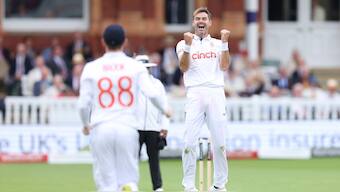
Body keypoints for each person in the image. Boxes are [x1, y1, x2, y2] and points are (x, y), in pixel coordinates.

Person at [78, 24, 171, 192]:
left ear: (103, 42)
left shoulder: (91, 67)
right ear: (125, 42)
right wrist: (164, 109)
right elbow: (151, 92)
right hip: (127, 128)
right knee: (128, 181)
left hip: (101, 128)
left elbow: (84, 103)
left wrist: (85, 124)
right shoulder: (134, 66)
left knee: (106, 183)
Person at [176, 7, 230, 192]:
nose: (201, 21)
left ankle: (219, 185)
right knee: (189, 142)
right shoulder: (182, 44)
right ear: (193, 22)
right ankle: (189, 186)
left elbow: (224, 66)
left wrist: (225, 43)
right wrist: (189, 45)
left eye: (204, 19)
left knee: (220, 142)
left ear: (209, 23)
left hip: (215, 92)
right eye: (198, 18)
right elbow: (183, 67)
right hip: (195, 92)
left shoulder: (216, 43)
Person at [135, 55, 170, 192]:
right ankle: (130, 185)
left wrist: (164, 126)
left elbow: (164, 105)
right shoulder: (131, 85)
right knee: (132, 160)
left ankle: (158, 187)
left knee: (154, 160)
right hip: (135, 127)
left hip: (153, 127)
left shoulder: (157, 84)